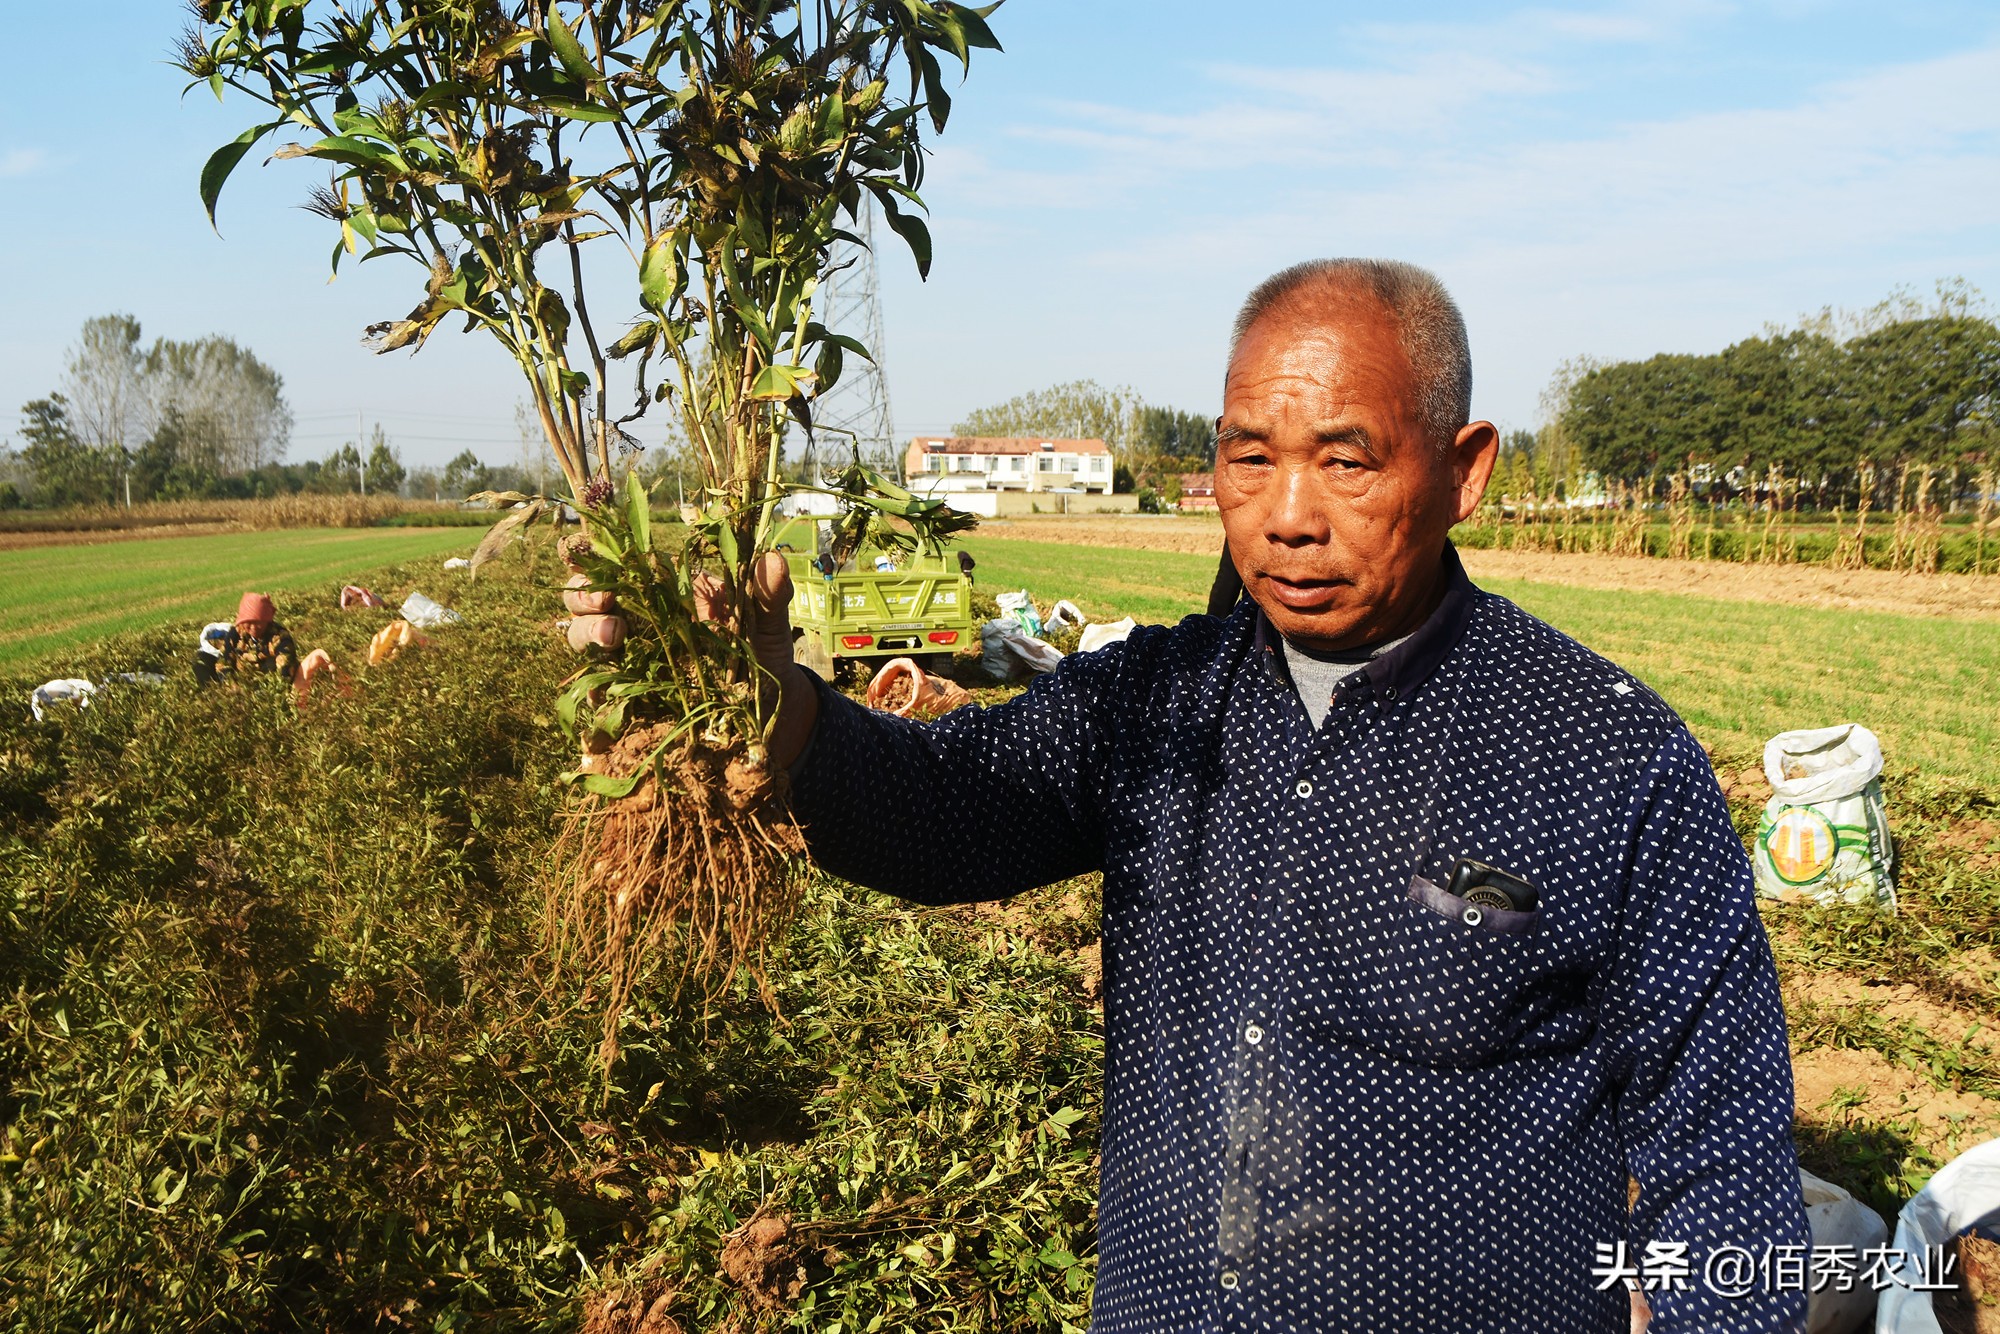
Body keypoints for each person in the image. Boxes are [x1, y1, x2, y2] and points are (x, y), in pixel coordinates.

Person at [575, 259, 1810, 1331]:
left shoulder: (1601, 758)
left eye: (1344, 461)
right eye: (1247, 457)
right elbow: (941, 806)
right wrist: (755, 702)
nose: (1284, 517)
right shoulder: (1156, 703)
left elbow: (1727, 1160)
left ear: (1462, 469)